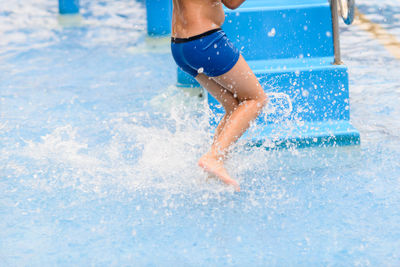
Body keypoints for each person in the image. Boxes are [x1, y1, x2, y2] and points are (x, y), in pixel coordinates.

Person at [171, 0, 268, 191]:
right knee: (255, 99)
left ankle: (215, 163)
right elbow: (231, 3)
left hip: (180, 46)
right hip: (205, 42)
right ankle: (214, 157)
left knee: (234, 107)